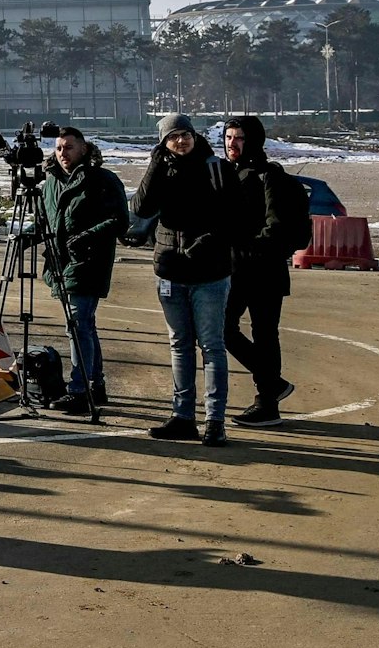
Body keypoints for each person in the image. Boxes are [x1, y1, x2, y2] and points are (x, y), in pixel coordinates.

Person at [132, 112, 236, 446]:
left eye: (185, 134)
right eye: (173, 136)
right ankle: (183, 416)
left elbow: (237, 216)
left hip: (209, 273)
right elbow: (141, 207)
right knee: (179, 344)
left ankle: (215, 420)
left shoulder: (215, 167)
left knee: (211, 346)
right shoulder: (162, 168)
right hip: (170, 270)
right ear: (163, 141)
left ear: (195, 135)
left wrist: (209, 241)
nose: (181, 140)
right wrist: (154, 165)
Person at [222, 115, 304, 427]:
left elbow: (277, 225)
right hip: (234, 268)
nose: (233, 143)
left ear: (254, 140)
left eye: (239, 137)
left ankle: (268, 401)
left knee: (264, 333)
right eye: (229, 137)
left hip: (263, 269)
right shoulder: (227, 173)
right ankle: (273, 385)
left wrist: (249, 246)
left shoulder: (269, 177)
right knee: (222, 328)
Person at [41, 125, 128, 417]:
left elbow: (119, 220)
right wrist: (27, 235)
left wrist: (87, 237)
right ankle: (96, 383)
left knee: (77, 324)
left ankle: (80, 390)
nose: (63, 153)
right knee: (85, 326)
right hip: (61, 261)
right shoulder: (51, 182)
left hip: (89, 261)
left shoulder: (101, 180)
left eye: (69, 147)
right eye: (58, 148)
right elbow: (47, 220)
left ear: (83, 149)